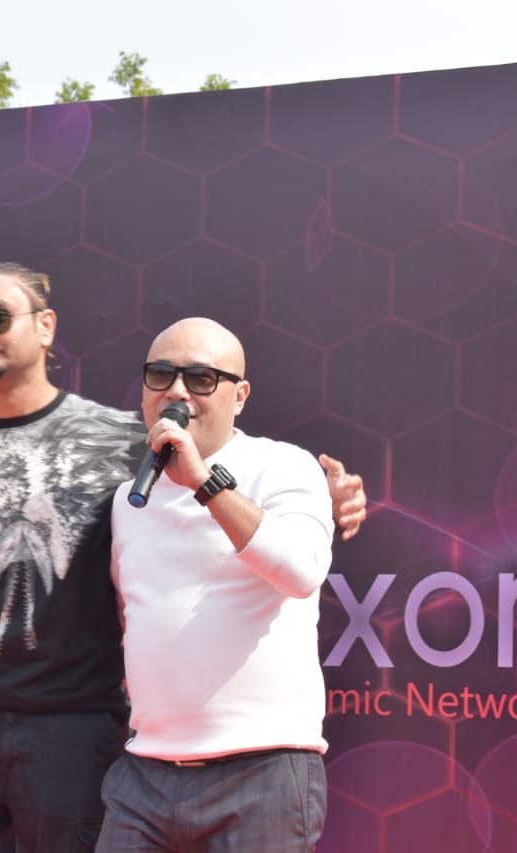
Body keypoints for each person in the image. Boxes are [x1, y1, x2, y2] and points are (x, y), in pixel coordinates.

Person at [0, 262, 366, 852]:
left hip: (153, 748)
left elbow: (278, 535)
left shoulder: (197, 454)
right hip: (33, 745)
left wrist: (310, 499)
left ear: (45, 326)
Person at [98, 317, 334, 852]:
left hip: (261, 771)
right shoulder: (129, 499)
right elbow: (126, 617)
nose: (177, 392)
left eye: (201, 378)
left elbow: (301, 571)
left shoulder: (283, 466)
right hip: (145, 775)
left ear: (240, 395)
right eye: (161, 375)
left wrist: (204, 482)